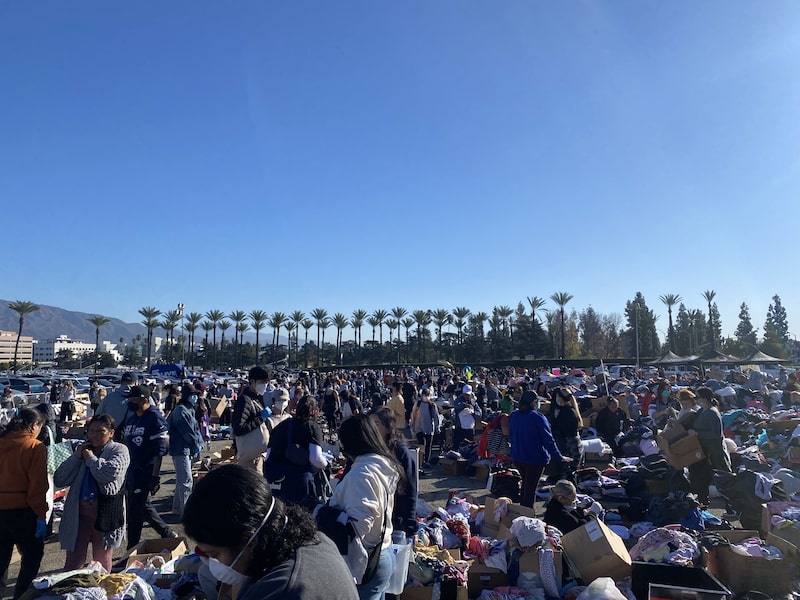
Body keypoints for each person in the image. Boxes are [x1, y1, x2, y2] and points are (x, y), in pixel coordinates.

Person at [183, 464, 358, 600]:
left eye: (215, 554)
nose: (213, 563)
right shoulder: (315, 540)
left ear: (249, 541)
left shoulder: (279, 591)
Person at [316, 414, 401, 600]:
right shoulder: (381, 464)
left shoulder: (363, 474)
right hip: (382, 551)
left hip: (367, 560)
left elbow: (358, 526)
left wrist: (322, 512)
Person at [53, 415, 130, 573]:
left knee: (102, 561)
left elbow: (107, 474)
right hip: (79, 514)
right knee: (74, 561)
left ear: (111, 433)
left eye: (100, 431)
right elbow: (59, 479)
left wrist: (90, 458)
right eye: (91, 431)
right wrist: (77, 457)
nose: (94, 435)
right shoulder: (81, 451)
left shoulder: (119, 450)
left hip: (104, 514)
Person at [0, 409, 47, 600]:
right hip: (23, 511)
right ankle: (21, 596)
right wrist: (41, 515)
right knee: (31, 558)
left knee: (1, 561)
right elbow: (38, 486)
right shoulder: (34, 446)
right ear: (34, 426)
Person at [122, 385, 176, 547]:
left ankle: (132, 547)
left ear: (144, 400)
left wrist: (154, 476)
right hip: (131, 470)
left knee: (135, 512)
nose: (130, 403)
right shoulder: (132, 417)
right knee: (141, 506)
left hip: (146, 469)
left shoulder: (154, 418)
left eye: (133, 400)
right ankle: (168, 533)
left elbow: (159, 451)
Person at [509, 391, 570, 509]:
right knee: (530, 489)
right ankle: (527, 515)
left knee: (526, 486)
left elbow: (511, 435)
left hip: (518, 457)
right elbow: (548, 440)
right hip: (534, 459)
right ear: (533, 402)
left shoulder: (515, 415)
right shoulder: (538, 418)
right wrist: (559, 457)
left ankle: (523, 511)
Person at [264, 396, 328, 505]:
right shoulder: (312, 427)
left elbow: (268, 455)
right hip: (300, 483)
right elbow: (316, 458)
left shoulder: (281, 426)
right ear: (316, 411)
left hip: (276, 481)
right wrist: (327, 464)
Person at [370, 408, 418, 540]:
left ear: (388, 426)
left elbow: (410, 488)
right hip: (373, 518)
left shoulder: (400, 451)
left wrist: (410, 523)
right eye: (370, 424)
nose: (372, 428)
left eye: (377, 424)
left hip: (396, 519)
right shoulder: (368, 449)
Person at [689, 387, 732, 503]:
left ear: (704, 399)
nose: (695, 400)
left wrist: (698, 433)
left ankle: (731, 508)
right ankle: (703, 502)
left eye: (697, 397)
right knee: (702, 479)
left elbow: (716, 434)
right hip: (705, 452)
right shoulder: (701, 411)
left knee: (724, 480)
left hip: (716, 453)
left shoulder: (712, 412)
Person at [167, 386, 204, 517]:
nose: (195, 397)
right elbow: (187, 432)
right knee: (186, 481)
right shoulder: (181, 411)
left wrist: (199, 442)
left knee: (181, 480)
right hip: (181, 448)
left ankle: (177, 508)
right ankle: (185, 512)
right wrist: (196, 443)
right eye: (193, 395)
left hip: (185, 449)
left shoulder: (188, 410)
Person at [233, 366, 270, 472]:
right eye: (262, 382)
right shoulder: (245, 400)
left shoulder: (257, 398)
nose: (265, 385)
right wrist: (260, 418)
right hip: (250, 458)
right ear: (252, 381)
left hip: (258, 456)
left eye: (266, 382)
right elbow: (239, 428)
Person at [548, 387, 584, 480]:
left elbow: (561, 430)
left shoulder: (567, 413)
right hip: (574, 447)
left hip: (569, 448)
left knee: (567, 476)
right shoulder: (570, 410)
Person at [95, 372, 139, 441]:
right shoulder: (142, 399)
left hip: (112, 438)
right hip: (135, 441)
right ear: (136, 383)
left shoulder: (109, 398)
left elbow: (97, 417)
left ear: (121, 382)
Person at [410, 387, 440, 466]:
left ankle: (426, 460)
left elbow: (436, 417)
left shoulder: (432, 405)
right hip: (419, 427)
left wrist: (437, 427)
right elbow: (413, 414)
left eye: (427, 395)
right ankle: (421, 460)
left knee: (428, 445)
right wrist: (412, 424)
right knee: (421, 444)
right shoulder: (418, 404)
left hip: (429, 428)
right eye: (425, 395)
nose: (426, 396)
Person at [453, 385, 482, 451]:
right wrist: (464, 405)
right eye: (465, 394)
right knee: (457, 446)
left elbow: (479, 414)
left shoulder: (473, 402)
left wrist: (473, 412)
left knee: (470, 446)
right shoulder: (459, 400)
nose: (467, 396)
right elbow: (456, 406)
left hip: (470, 428)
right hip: (460, 427)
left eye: (468, 395)